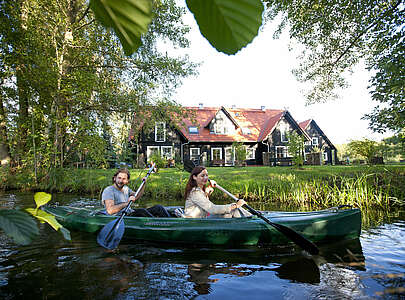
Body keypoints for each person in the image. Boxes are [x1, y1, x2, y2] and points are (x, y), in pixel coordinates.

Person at [183, 166, 251, 218]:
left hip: (202, 219)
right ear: (194, 177)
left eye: (207, 175)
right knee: (234, 209)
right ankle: (252, 220)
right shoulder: (195, 192)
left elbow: (204, 207)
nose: (206, 178)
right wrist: (236, 205)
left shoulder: (199, 190)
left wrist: (206, 194)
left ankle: (252, 217)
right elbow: (212, 209)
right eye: (202, 175)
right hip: (194, 223)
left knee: (233, 210)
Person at [102, 168, 170, 217]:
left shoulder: (126, 189)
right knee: (141, 211)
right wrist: (127, 203)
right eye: (119, 178)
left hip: (129, 212)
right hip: (119, 216)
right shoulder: (109, 190)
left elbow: (137, 196)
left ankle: (172, 223)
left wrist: (143, 184)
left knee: (158, 208)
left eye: (124, 179)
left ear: (127, 181)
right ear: (114, 178)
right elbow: (110, 211)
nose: (121, 181)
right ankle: (157, 224)